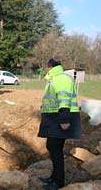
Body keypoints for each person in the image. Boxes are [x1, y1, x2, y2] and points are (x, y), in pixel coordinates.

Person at [38, 59, 82, 190]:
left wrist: (64, 119)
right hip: (54, 117)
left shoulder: (61, 78)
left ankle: (58, 182)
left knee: (54, 148)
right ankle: (54, 177)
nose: (45, 69)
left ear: (50, 66)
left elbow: (64, 98)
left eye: (46, 67)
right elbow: (54, 98)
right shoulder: (56, 78)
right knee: (54, 148)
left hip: (60, 118)